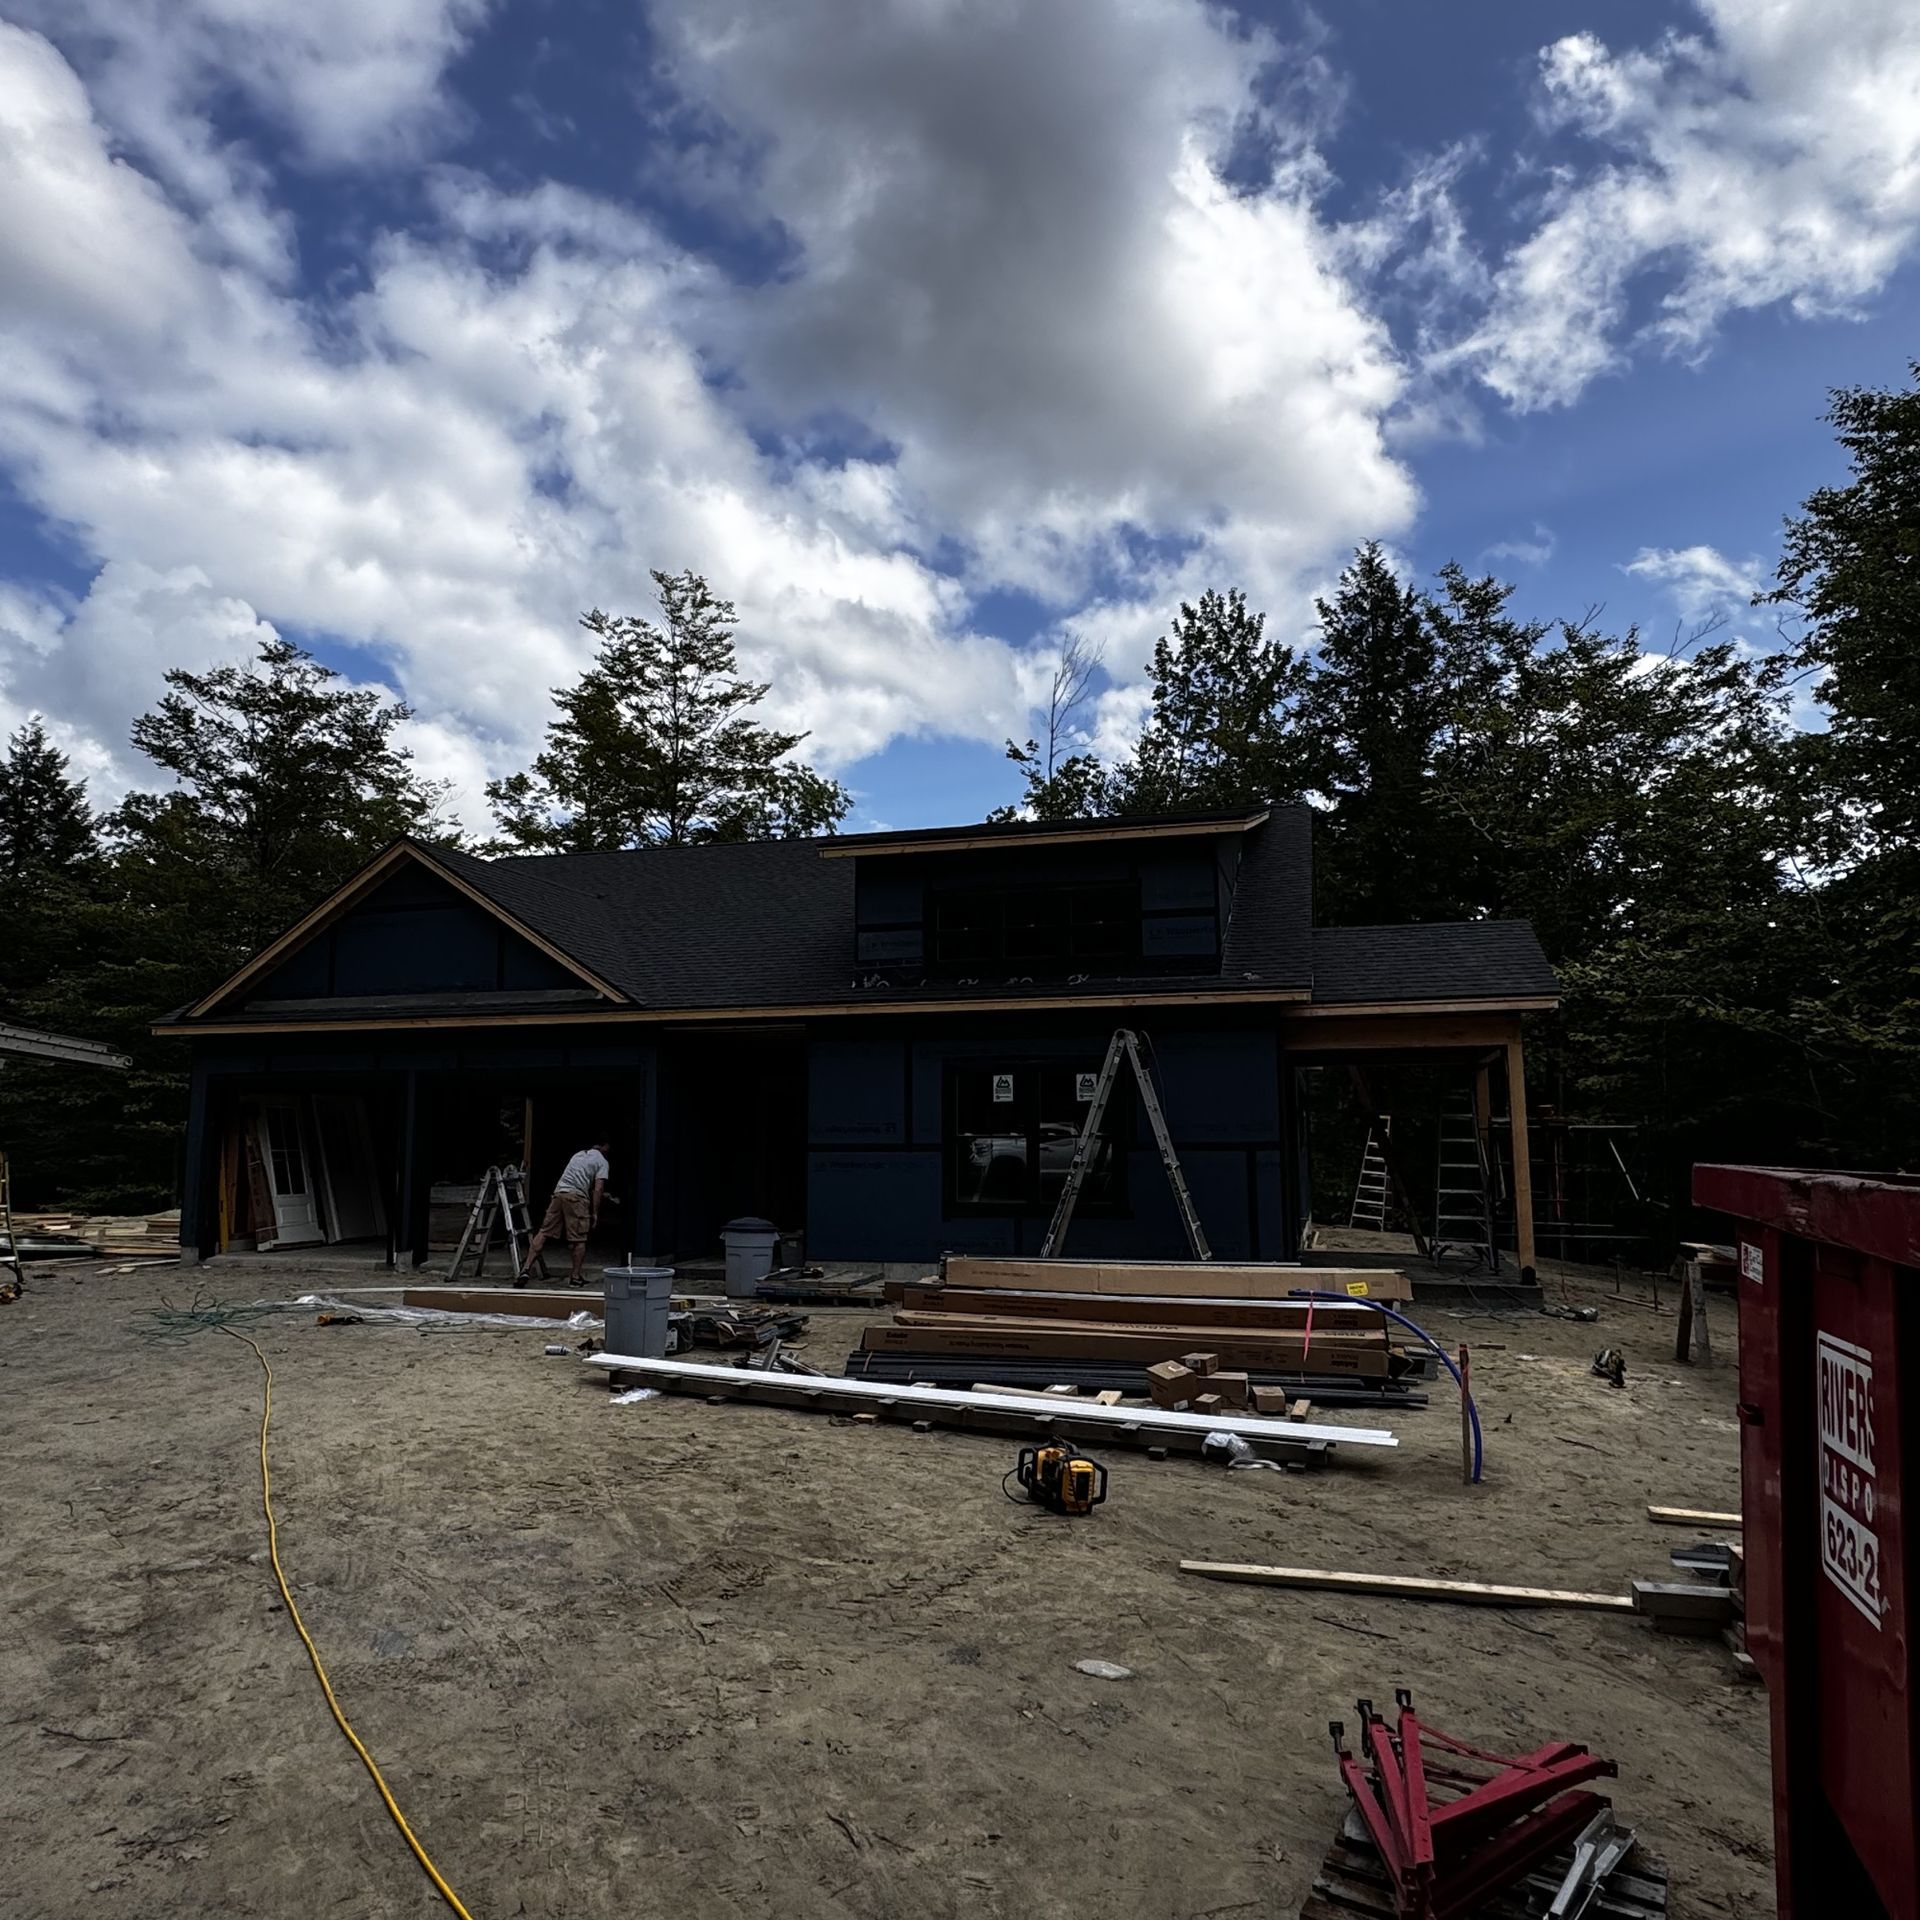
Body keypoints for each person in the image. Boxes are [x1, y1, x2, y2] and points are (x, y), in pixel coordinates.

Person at [518, 1138, 613, 1287]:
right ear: (605, 1146)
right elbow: (598, 1188)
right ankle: (575, 1277)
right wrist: (595, 1212)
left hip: (559, 1193)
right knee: (579, 1239)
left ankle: (525, 1270)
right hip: (577, 1198)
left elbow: (577, 1177)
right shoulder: (602, 1162)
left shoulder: (578, 1155)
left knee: (543, 1232)